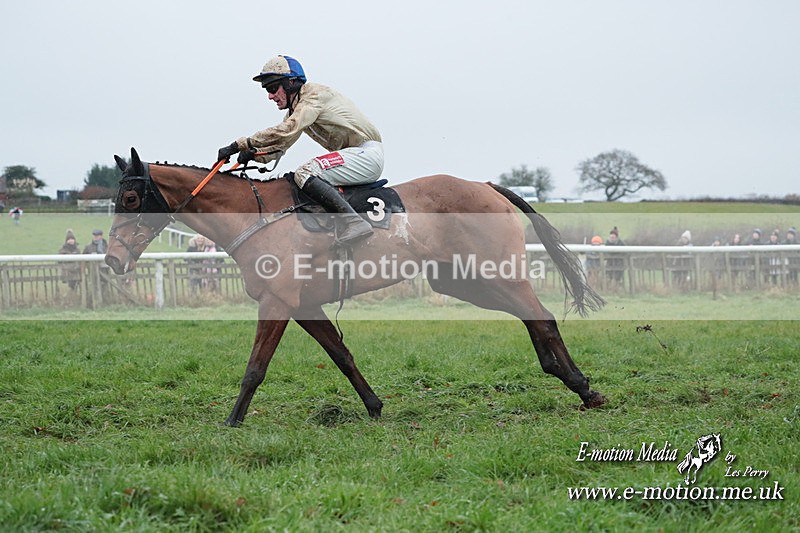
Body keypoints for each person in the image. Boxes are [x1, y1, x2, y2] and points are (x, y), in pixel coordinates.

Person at [217, 54, 382, 246]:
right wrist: (253, 155)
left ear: (291, 83)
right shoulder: (298, 109)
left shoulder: (314, 96)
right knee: (306, 174)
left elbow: (286, 130)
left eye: (272, 88)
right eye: (267, 90)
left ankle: (354, 222)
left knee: (305, 172)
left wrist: (240, 144)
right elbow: (279, 147)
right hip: (354, 156)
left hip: (366, 154)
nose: (270, 96)